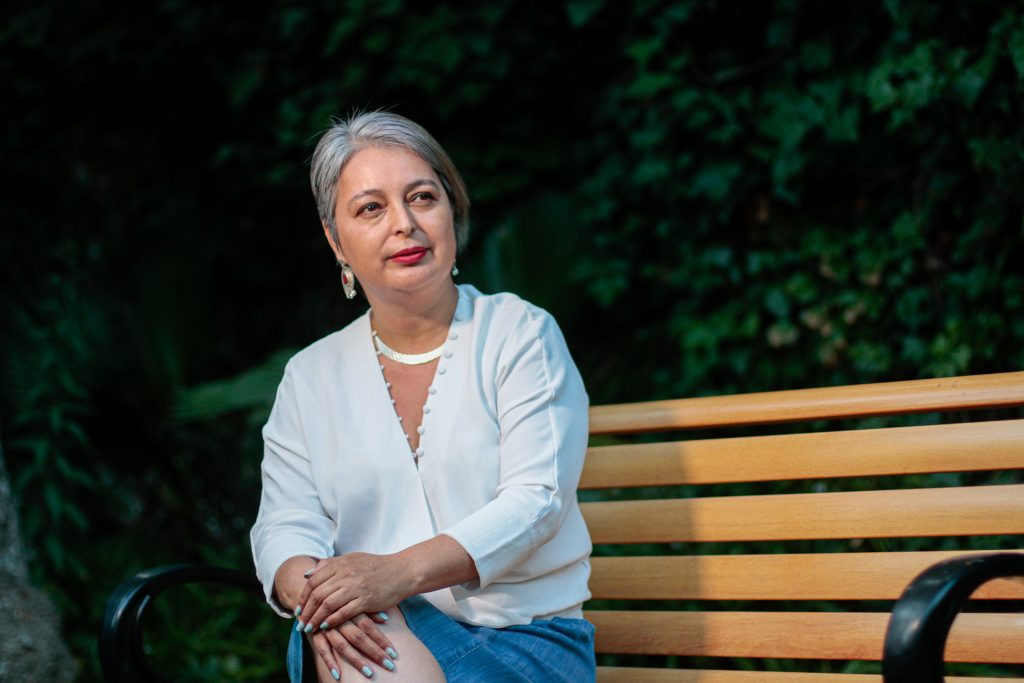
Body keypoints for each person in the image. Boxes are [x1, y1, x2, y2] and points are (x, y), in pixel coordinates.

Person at [250, 111, 595, 682]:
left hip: (521, 636)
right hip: (370, 626)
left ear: (451, 213)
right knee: (361, 638)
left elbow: (537, 502)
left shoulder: (520, 333)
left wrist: (391, 575)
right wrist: (320, 598)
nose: (404, 223)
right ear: (336, 241)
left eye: (422, 198)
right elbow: (284, 523)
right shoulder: (309, 375)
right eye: (371, 208)